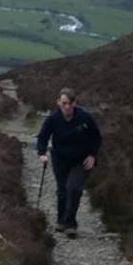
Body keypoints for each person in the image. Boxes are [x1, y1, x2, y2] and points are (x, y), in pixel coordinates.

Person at [36, 88, 102, 238]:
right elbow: (42, 137)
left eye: (70, 103)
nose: (67, 107)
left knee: (74, 188)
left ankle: (71, 224)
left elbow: (96, 137)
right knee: (62, 191)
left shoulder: (85, 117)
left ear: (75, 103)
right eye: (64, 103)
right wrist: (42, 153)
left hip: (81, 160)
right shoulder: (53, 119)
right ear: (58, 102)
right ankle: (61, 220)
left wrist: (92, 156)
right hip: (60, 159)